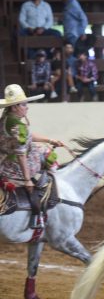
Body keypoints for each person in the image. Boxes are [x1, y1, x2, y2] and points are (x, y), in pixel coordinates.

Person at [0, 84, 64, 228]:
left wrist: (49, 140)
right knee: (46, 159)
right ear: (15, 107)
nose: (27, 107)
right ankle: (38, 214)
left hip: (4, 160)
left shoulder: (7, 119)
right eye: (24, 104)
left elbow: (27, 137)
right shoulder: (17, 126)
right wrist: (27, 179)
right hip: (12, 165)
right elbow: (21, 154)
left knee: (41, 149)